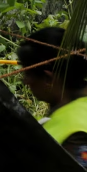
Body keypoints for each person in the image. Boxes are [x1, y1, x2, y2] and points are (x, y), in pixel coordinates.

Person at [18, 27, 87, 168]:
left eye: (28, 74)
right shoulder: (72, 109)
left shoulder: (76, 134)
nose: (25, 81)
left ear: (48, 79)